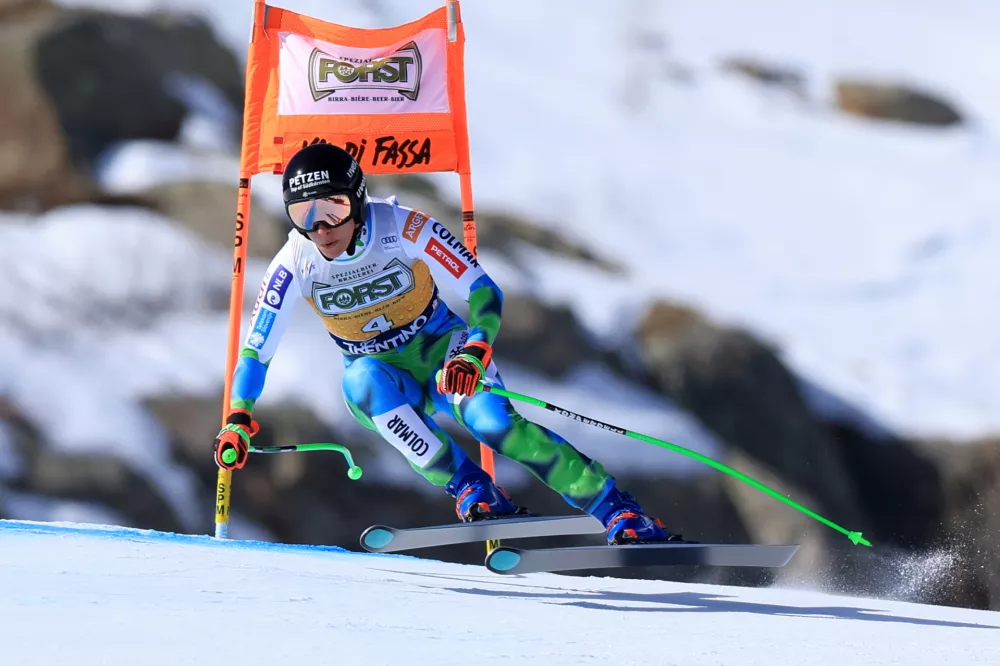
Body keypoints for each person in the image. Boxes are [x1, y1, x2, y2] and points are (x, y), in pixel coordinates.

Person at [213, 141, 681, 545]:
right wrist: (238, 416)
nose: (321, 229)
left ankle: (618, 509)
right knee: (360, 383)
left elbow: (483, 290)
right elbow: (255, 352)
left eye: (332, 209)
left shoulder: (402, 226)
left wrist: (476, 348)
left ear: (357, 199)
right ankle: (471, 487)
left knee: (494, 425)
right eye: (304, 215)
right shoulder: (293, 263)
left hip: (443, 351)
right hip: (384, 375)